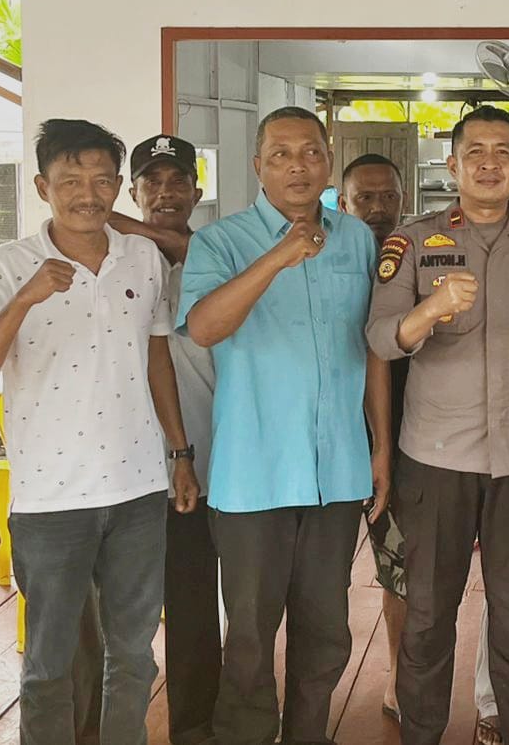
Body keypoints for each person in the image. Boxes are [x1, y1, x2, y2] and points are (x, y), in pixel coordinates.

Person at [0, 120, 200, 745]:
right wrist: (25, 299)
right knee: (49, 665)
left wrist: (179, 452)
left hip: (139, 490)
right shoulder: (9, 264)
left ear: (119, 186)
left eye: (100, 180)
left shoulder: (142, 256)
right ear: (43, 187)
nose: (87, 195)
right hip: (50, 501)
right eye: (70, 181)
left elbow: (157, 358)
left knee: (134, 656)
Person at [366, 106, 509, 745]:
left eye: (504, 152)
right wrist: (430, 310)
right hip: (434, 461)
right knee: (426, 618)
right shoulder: (413, 243)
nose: (490, 163)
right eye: (476, 152)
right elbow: (381, 339)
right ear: (453, 165)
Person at [178, 106, 392, 745]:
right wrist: (278, 257)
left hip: (337, 471)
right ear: (258, 166)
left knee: (326, 631)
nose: (297, 166)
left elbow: (372, 347)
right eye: (281, 155)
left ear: (328, 162)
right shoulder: (220, 241)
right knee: (249, 635)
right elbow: (203, 328)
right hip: (254, 476)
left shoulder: (357, 239)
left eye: (310, 153)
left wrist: (381, 446)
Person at [116, 134, 220, 745]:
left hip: (201, 463)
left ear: (196, 192)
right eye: (151, 182)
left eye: (177, 180)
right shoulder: (115, 262)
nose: (165, 192)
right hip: (124, 471)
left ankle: (196, 727)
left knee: (193, 604)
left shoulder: (215, 256)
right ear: (134, 192)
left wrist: (123, 221)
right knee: (120, 614)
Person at [337, 152, 411, 724]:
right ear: (343, 203)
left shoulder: (418, 256)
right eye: (366, 198)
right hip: (332, 443)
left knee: (401, 567)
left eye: (388, 197)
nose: (379, 208)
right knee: (321, 575)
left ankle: (398, 676)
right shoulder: (324, 258)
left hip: (406, 441)